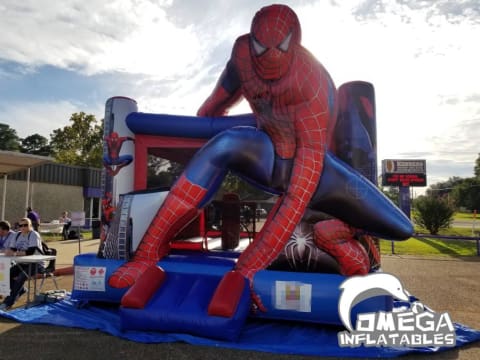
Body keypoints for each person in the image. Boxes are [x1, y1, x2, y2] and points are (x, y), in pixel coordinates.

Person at [108, 5, 412, 312]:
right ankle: (148, 252)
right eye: (260, 46)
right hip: (271, 153)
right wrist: (205, 121)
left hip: (321, 172)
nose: (268, 57)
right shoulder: (242, 52)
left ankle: (341, 234)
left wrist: (248, 267)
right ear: (251, 39)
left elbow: (297, 193)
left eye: (279, 47)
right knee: (224, 143)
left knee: (401, 228)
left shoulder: (312, 83)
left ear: (294, 42)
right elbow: (221, 95)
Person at [0, 218, 44, 310]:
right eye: (21, 225)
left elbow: (31, 251)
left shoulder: (33, 234)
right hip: (22, 263)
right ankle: (21, 290)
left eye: (25, 225)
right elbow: (12, 248)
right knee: (5, 275)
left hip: (36, 264)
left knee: (21, 277)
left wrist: (15, 253)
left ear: (30, 226)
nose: (23, 227)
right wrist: (9, 251)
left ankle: (8, 302)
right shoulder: (16, 235)